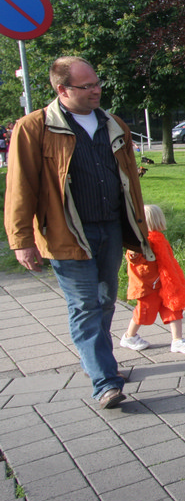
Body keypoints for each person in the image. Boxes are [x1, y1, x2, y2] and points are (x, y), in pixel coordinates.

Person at [4, 56, 154, 409]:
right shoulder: (34, 127)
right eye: (86, 86)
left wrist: (139, 230)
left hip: (111, 228)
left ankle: (96, 362)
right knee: (85, 304)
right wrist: (22, 241)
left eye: (97, 83)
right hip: (66, 232)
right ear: (62, 89)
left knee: (105, 301)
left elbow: (130, 183)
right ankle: (105, 382)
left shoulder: (114, 124)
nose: (96, 90)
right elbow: (20, 187)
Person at [120, 205, 185, 354]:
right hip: (148, 287)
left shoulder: (159, 239)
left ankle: (177, 340)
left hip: (164, 284)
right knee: (143, 312)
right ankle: (129, 337)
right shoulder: (142, 243)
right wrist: (135, 251)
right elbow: (133, 257)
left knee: (173, 308)